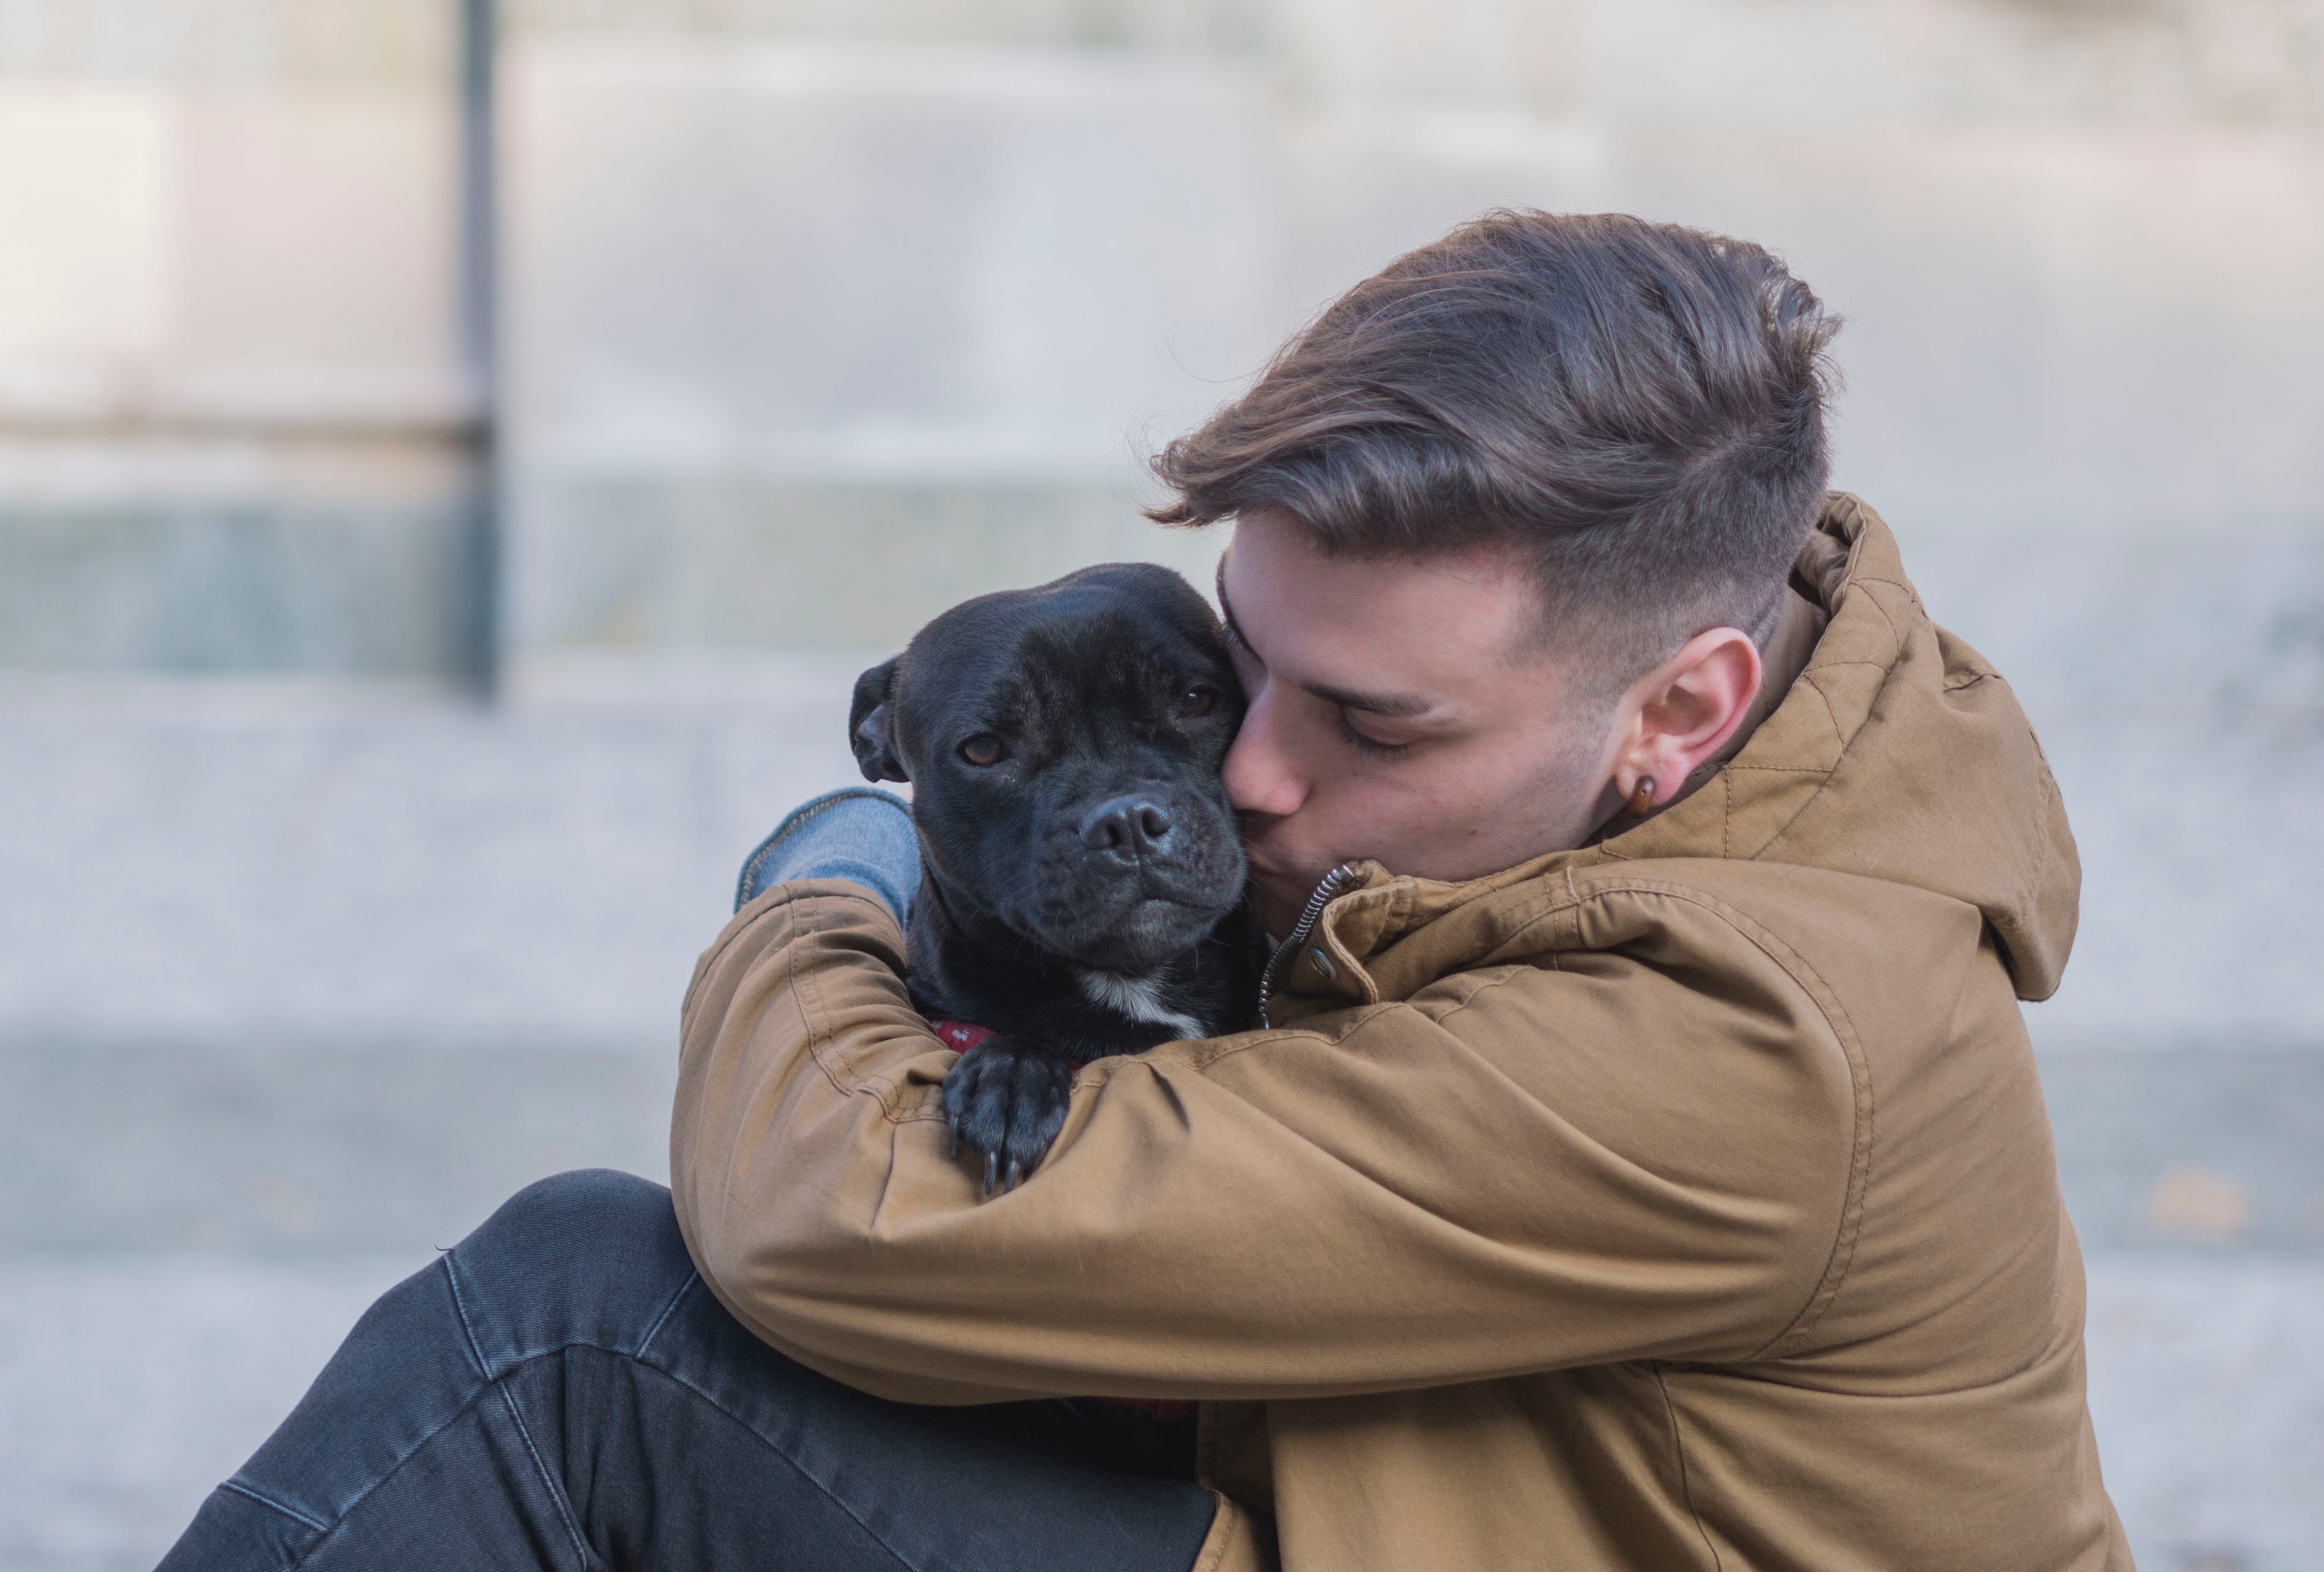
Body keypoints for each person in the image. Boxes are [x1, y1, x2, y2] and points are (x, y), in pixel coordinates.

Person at [156, 211, 2129, 1570]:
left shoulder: (1758, 1046)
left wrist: (834, 862)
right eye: (1238, 676)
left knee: (576, 1321)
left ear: (1674, 708)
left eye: (1368, 720)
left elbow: (838, 1221)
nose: (1256, 779)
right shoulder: (1667, 745)